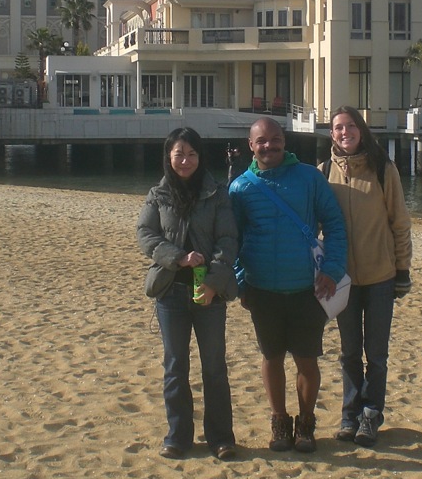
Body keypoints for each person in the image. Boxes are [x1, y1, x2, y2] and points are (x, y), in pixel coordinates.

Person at [229, 117, 347, 453]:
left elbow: (335, 225)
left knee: (307, 359)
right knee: (272, 357)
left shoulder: (309, 177)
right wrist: (241, 283)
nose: (269, 146)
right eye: (261, 141)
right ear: (251, 146)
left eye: (275, 139)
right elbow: (231, 240)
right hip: (262, 288)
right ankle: (280, 421)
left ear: (285, 140)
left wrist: (334, 270)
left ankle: (306, 423)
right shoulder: (241, 187)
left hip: (308, 288)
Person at [137, 127, 240, 461]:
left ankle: (221, 437)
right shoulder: (159, 194)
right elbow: (146, 235)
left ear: (200, 156)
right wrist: (177, 256)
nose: (185, 161)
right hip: (171, 292)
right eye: (179, 153)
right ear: (169, 156)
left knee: (214, 366)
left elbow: (228, 241)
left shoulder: (216, 193)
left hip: (208, 292)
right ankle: (178, 436)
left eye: (192, 154)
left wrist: (213, 282)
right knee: (175, 366)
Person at [322, 106, 412, 448]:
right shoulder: (323, 172)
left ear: (360, 130)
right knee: (347, 352)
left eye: (350, 126)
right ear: (331, 134)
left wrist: (402, 269)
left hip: (379, 275)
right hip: (341, 279)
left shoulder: (383, 169)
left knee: (376, 353)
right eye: (338, 128)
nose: (344, 132)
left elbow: (400, 223)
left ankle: (371, 415)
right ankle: (350, 415)